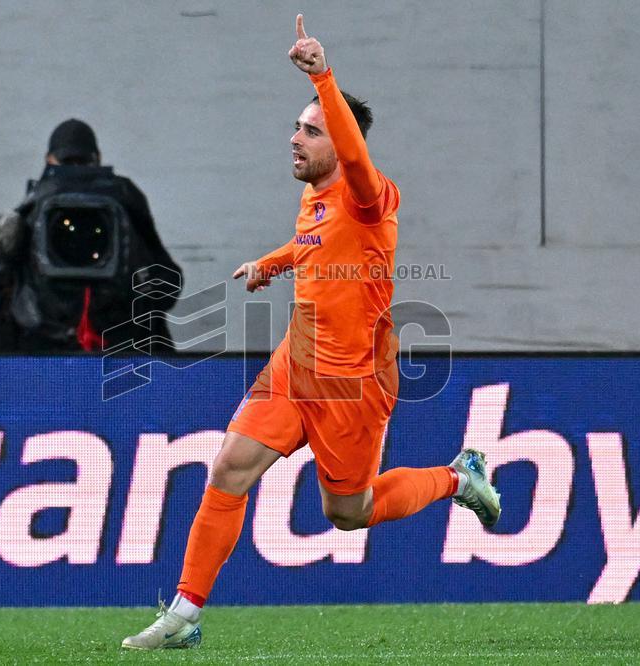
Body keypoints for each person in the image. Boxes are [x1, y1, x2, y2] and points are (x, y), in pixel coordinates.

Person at [121, 15, 501, 650]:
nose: (294, 138)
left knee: (348, 514)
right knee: (229, 469)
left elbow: (355, 160)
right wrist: (272, 263)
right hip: (297, 363)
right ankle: (184, 616)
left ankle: (459, 478)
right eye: (297, 126)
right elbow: (314, 244)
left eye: (311, 130)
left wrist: (324, 76)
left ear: (341, 143)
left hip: (353, 383)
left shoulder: (370, 196)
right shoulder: (316, 198)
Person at [0, 118, 182, 352]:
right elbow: (168, 284)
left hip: (46, 353)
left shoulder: (36, 203)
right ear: (98, 158)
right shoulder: (123, 198)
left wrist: (2, 257)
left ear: (49, 160)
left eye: (79, 161)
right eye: (69, 162)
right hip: (118, 352)